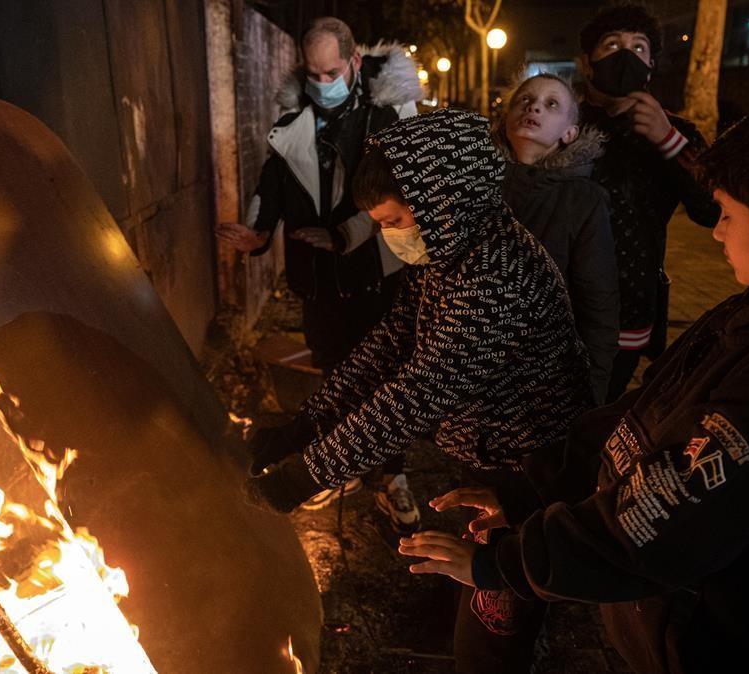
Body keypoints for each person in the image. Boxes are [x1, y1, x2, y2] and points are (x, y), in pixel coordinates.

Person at [400, 85, 749, 673]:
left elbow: (664, 516)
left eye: (729, 215)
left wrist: (499, 565)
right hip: (670, 629)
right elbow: (644, 415)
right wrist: (528, 491)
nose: (716, 233)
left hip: (719, 647)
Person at [244, 108, 594, 672]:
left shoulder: (495, 274)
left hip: (533, 470)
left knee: (494, 628)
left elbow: (414, 395)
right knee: (483, 593)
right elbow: (388, 347)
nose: (389, 235)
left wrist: (304, 474)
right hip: (492, 455)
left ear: (442, 198)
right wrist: (300, 428)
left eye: (394, 219)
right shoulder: (450, 253)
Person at [215, 17, 423, 522]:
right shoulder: (293, 121)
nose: (323, 83)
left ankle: (391, 474)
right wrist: (257, 232)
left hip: (376, 273)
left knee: (384, 379)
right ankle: (338, 465)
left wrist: (344, 235)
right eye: (313, 73)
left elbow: (399, 191)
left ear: (354, 62)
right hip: (317, 281)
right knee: (335, 370)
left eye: (332, 71)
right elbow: (273, 181)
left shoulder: (389, 115)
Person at [574, 3, 720, 403]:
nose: (626, 55)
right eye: (612, 45)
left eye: (639, 48)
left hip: (628, 308)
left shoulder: (677, 134)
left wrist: (667, 139)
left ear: (652, 65)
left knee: (596, 413)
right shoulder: (562, 124)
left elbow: (713, 209)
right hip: (558, 306)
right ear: (587, 63)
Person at [493, 72, 619, 404]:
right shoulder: (478, 185)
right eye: (525, 99)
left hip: (545, 383)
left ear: (569, 133)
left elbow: (598, 304)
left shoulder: (583, 200)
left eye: (551, 104)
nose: (534, 107)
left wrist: (591, 391)